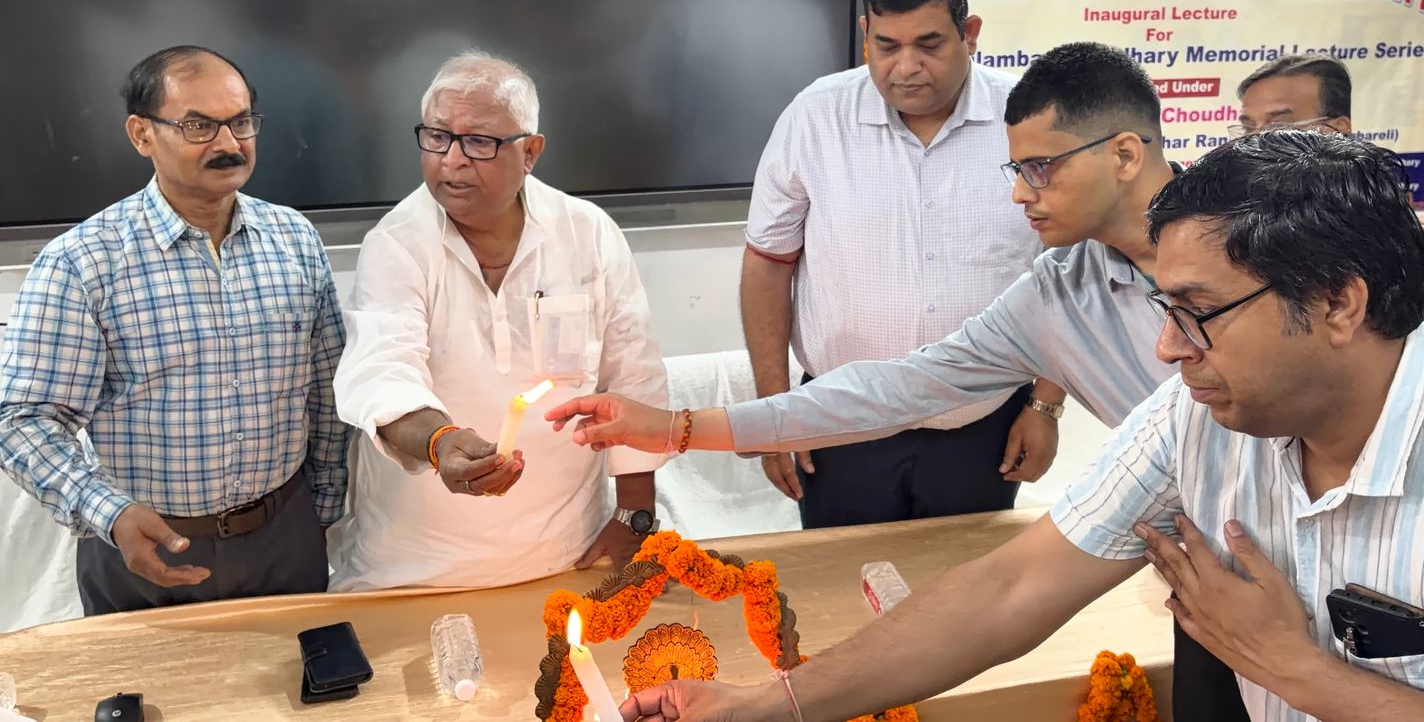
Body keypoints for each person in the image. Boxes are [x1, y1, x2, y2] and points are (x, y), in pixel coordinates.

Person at [582, 131, 1424, 721]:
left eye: (1197, 313)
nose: (1165, 349)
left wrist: (1297, 671)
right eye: (1163, 308)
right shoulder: (1204, 411)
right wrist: (766, 705)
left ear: (1338, 303)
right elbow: (1013, 587)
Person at [556, 42, 1253, 719]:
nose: (1019, 194)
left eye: (1040, 169)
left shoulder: (1265, 250)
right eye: (1015, 170)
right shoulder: (1059, 294)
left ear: (1125, 155)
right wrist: (676, 428)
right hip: (1210, 595)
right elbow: (899, 391)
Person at [0, 46, 347, 615]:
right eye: (198, 126)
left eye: (241, 122)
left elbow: (328, 393)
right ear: (142, 134)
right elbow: (22, 419)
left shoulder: (296, 240)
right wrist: (107, 511)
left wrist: (323, 508)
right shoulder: (84, 261)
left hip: (284, 538)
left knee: (296, 674)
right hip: (142, 548)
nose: (229, 143)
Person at [742, 0, 1061, 527]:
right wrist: (775, 410)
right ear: (865, 34)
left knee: (969, 578)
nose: (906, 67)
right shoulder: (816, 117)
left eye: (929, 45)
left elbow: (1066, 271)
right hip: (839, 422)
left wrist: (1045, 404)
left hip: (985, 422)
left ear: (970, 33)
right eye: (886, 46)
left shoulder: (1030, 118)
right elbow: (768, 261)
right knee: (844, 577)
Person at [326, 50, 669, 591]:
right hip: (417, 565)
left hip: (569, 552)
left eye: (479, 142)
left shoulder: (587, 233)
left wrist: (634, 516)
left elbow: (634, 379)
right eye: (437, 137)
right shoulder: (397, 244)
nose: (452, 160)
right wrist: (441, 442)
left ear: (530, 151)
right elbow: (381, 372)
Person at [1231, 53, 1424, 317]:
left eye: (1278, 126)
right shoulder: (1235, 236)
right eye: (1248, 129)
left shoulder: (1402, 244)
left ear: (1336, 130)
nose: (1256, 143)